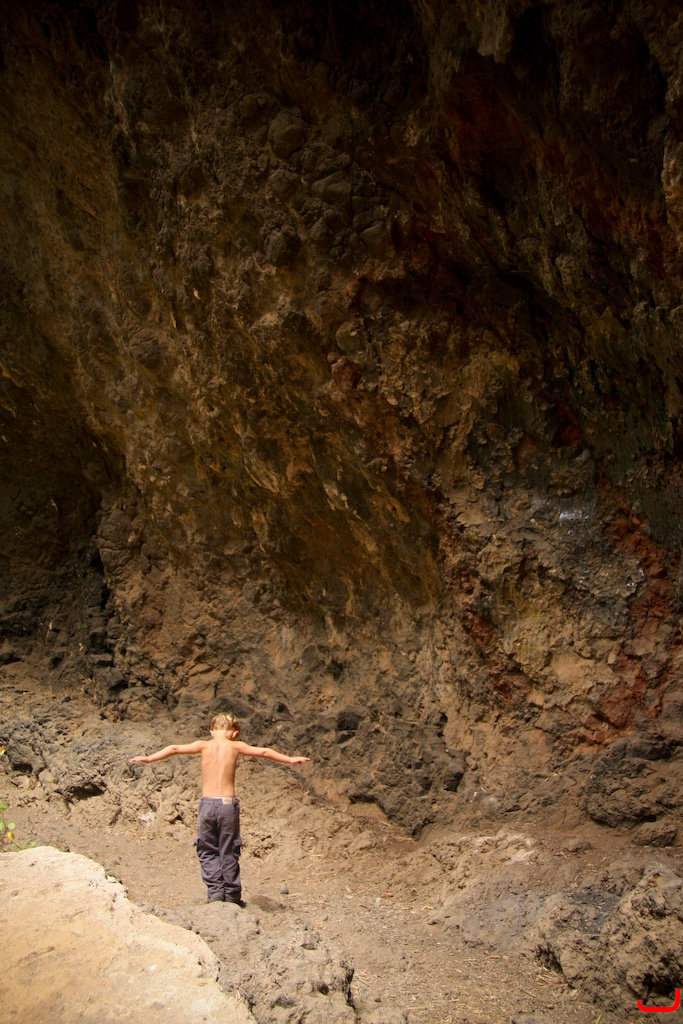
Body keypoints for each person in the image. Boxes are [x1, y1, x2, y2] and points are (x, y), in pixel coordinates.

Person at [130, 712, 310, 906]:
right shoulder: (236, 746)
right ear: (234, 734)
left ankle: (215, 892)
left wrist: (149, 758)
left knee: (207, 849)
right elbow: (265, 752)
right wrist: (290, 759)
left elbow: (174, 748)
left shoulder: (203, 745)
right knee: (229, 850)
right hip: (227, 805)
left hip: (208, 804)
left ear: (212, 731)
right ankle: (232, 896)